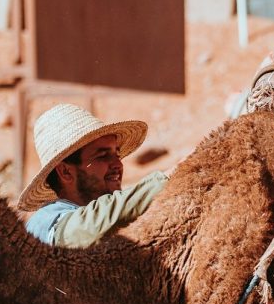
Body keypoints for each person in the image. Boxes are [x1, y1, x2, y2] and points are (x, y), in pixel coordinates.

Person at [18, 103, 168, 247]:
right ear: (65, 171)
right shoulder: (44, 223)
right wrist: (169, 180)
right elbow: (86, 229)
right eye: (102, 156)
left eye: (117, 154)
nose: (118, 164)